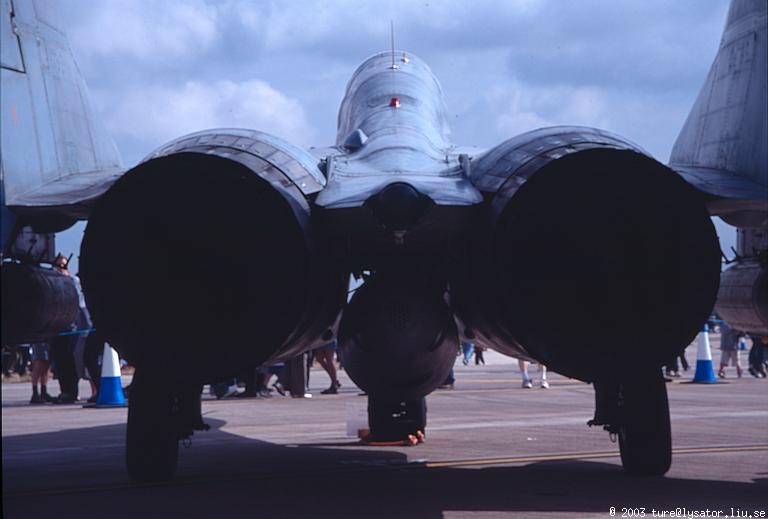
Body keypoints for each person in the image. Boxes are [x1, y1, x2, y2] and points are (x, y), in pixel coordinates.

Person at [50, 254, 80, 403]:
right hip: (56, 326)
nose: (62, 269)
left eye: (64, 266)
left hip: (70, 326)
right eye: (59, 266)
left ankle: (72, 392)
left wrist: (66, 278)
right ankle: (65, 391)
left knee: (70, 361)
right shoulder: (51, 282)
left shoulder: (73, 281)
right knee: (60, 362)